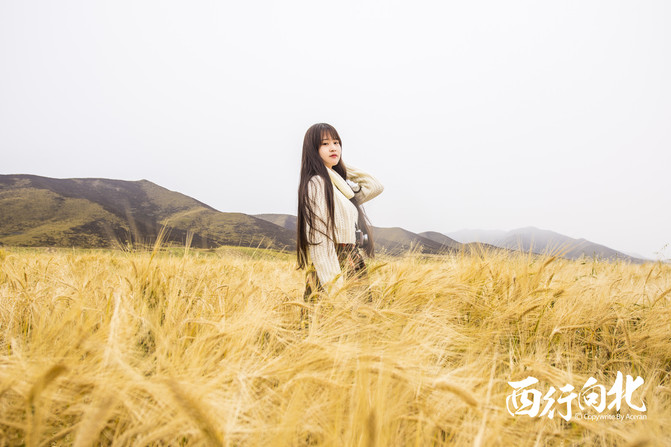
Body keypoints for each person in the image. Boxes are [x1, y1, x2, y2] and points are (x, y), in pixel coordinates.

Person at [297, 123, 384, 305]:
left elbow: (374, 186)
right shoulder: (318, 183)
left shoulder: (340, 187)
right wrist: (334, 289)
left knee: (358, 320)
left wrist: (339, 166)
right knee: (332, 319)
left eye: (336, 142)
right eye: (325, 144)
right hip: (332, 265)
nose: (333, 148)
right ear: (313, 150)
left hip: (351, 261)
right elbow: (319, 238)